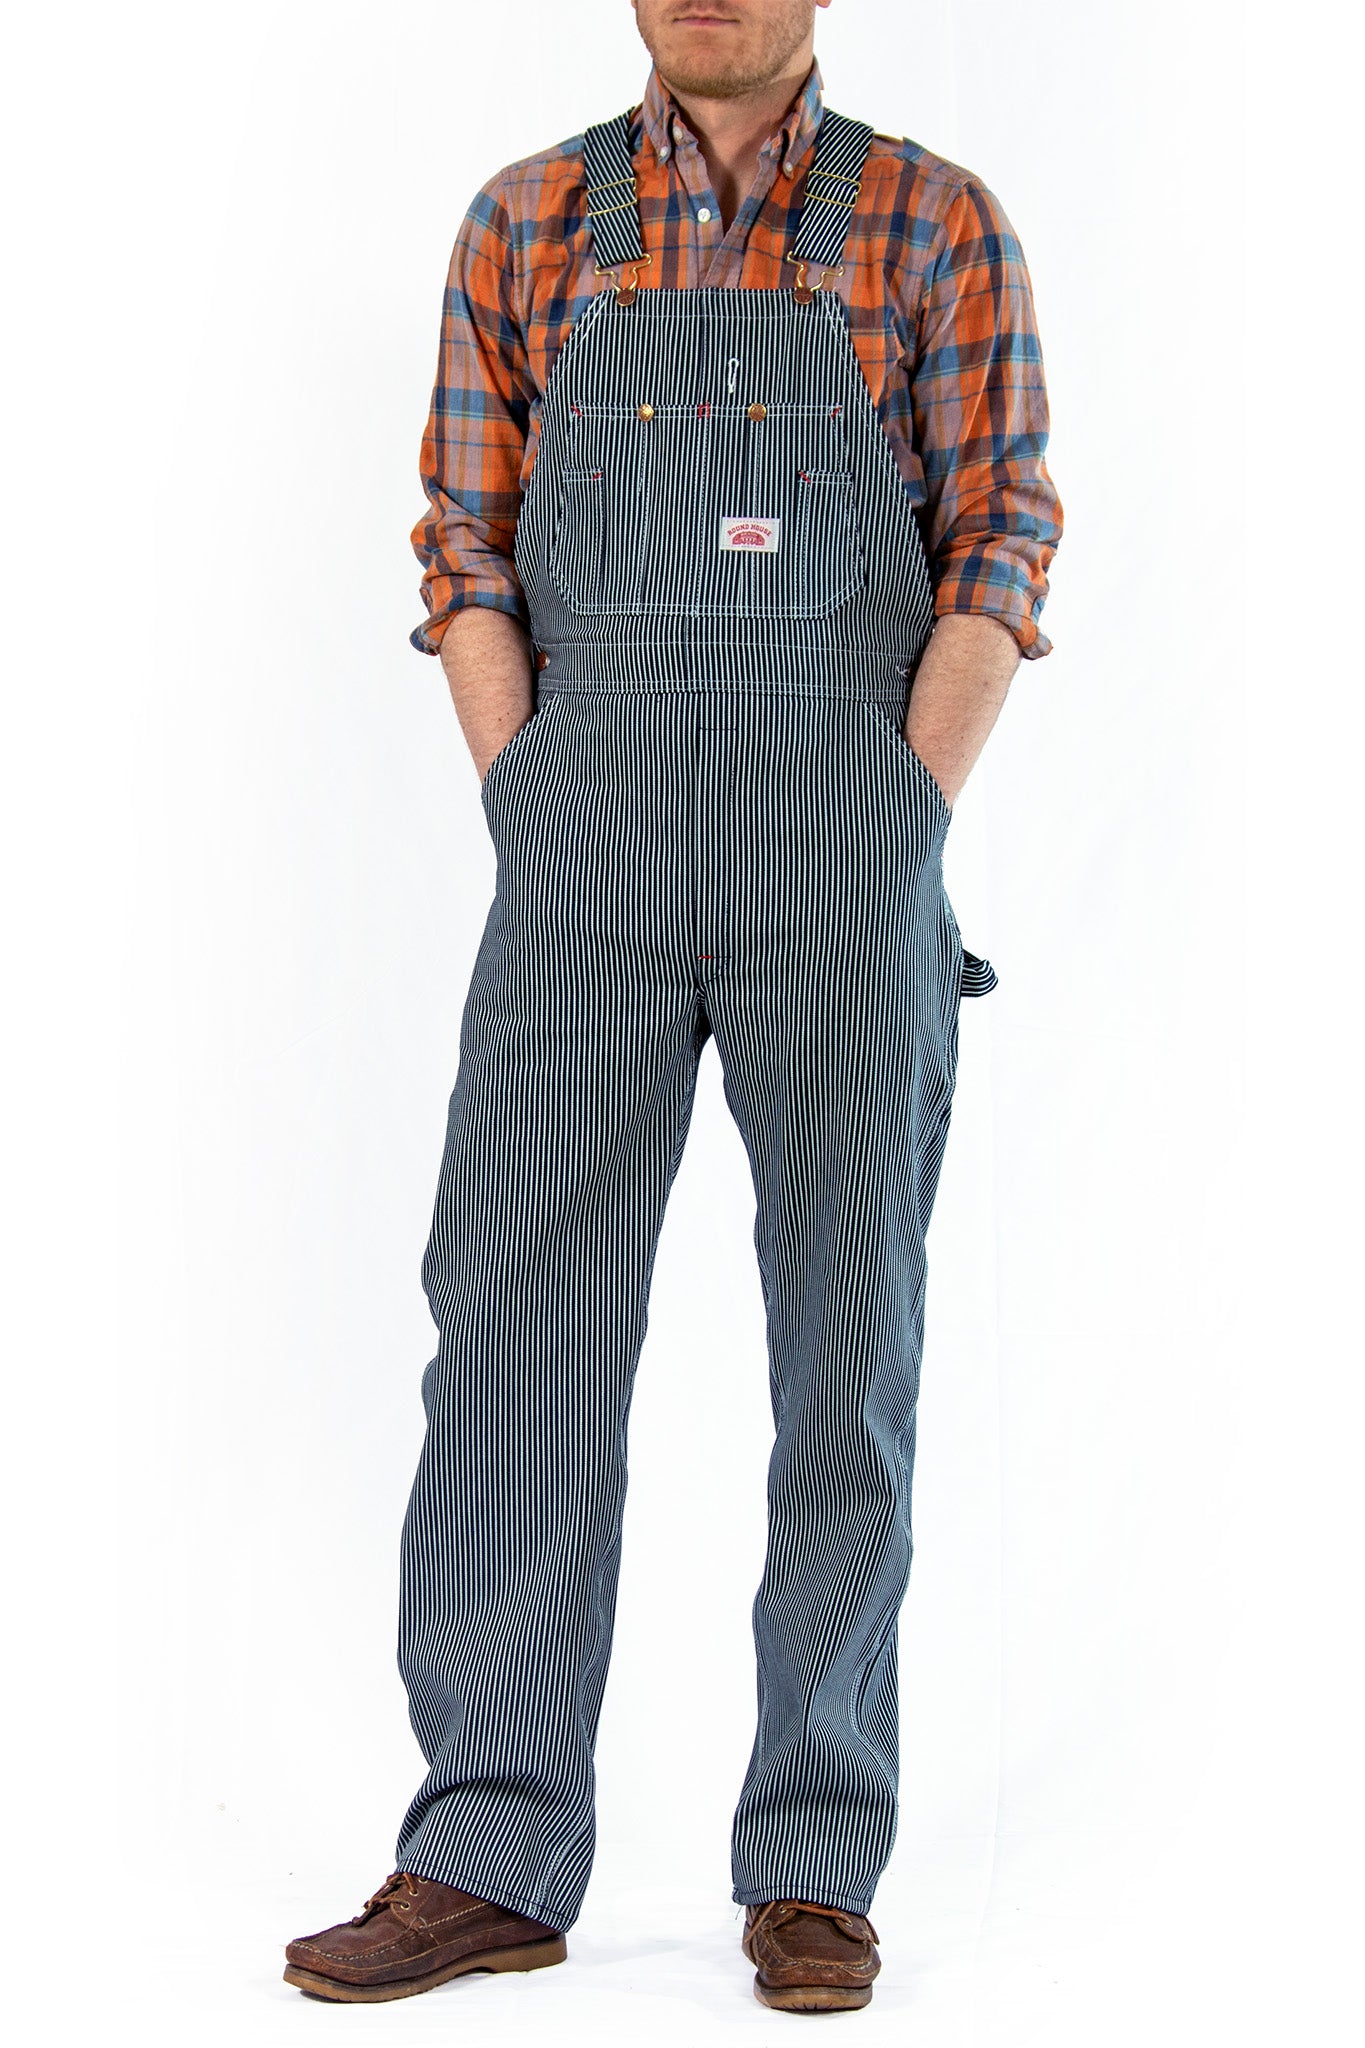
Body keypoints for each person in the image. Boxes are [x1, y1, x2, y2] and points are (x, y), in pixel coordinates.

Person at [284, 0, 1061, 2016]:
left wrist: (898, 807)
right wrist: (530, 792)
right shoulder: (526, 220)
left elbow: (1000, 533)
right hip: (587, 841)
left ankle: (813, 1860)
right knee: (512, 1345)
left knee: (847, 1356)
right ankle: (487, 1851)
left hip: (842, 834)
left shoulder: (933, 224)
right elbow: (464, 541)